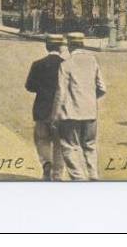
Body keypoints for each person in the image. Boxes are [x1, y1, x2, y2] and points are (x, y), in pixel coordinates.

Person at [52, 32, 106, 181]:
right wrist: (89, 100)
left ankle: (79, 178)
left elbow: (61, 92)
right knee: (90, 145)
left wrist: (56, 115)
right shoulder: (92, 61)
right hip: (90, 112)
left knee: (69, 145)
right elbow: (102, 88)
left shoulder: (66, 64)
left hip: (71, 114)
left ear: (70, 45)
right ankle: (94, 175)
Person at [24, 33, 67, 181]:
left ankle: (46, 164)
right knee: (60, 143)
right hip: (61, 111)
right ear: (61, 48)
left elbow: (29, 86)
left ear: (47, 46)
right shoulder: (66, 65)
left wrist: (42, 88)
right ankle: (57, 175)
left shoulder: (37, 64)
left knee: (42, 139)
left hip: (41, 108)